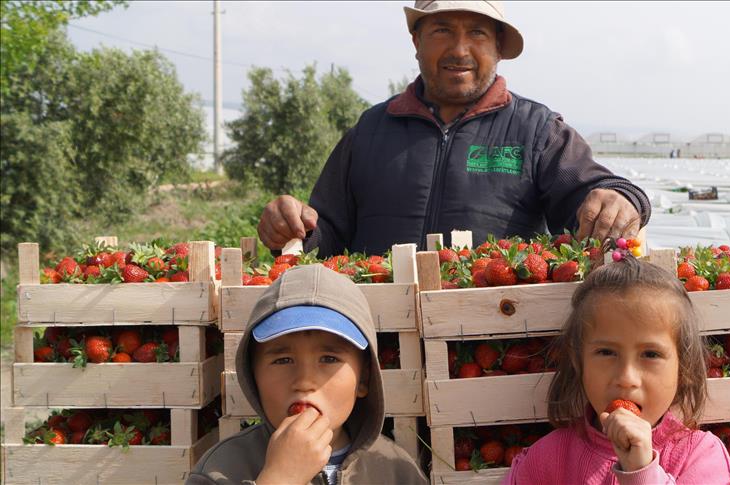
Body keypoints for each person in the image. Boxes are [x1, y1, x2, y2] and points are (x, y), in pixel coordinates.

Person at [257, 0, 651, 258]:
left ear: (498, 47)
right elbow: (326, 231)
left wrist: (621, 199)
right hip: (379, 346)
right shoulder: (370, 131)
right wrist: (292, 226)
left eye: (477, 33)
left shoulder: (537, 132)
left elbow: (592, 193)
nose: (460, 50)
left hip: (499, 349)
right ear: (416, 41)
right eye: (442, 30)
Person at [503, 257, 730, 484]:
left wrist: (642, 473)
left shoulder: (699, 457)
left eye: (650, 354)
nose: (627, 378)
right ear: (577, 360)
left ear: (682, 368)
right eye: (606, 352)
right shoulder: (547, 460)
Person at [187, 264, 428, 485]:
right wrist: (280, 478)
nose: (304, 382)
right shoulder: (220, 471)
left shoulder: (397, 471)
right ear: (253, 377)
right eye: (282, 360)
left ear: (364, 379)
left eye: (329, 359)